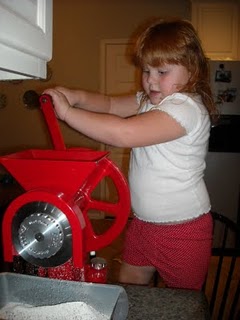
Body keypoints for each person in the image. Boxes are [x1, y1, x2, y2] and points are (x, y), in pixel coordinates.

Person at [44, 17, 218, 290]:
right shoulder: (150, 101)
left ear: (192, 69)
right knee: (131, 293)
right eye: (146, 71)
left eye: (162, 72)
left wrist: (68, 113)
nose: (150, 80)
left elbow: (123, 133)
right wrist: (75, 96)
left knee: (181, 303)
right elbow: (111, 104)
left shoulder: (185, 108)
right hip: (143, 225)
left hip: (183, 231)